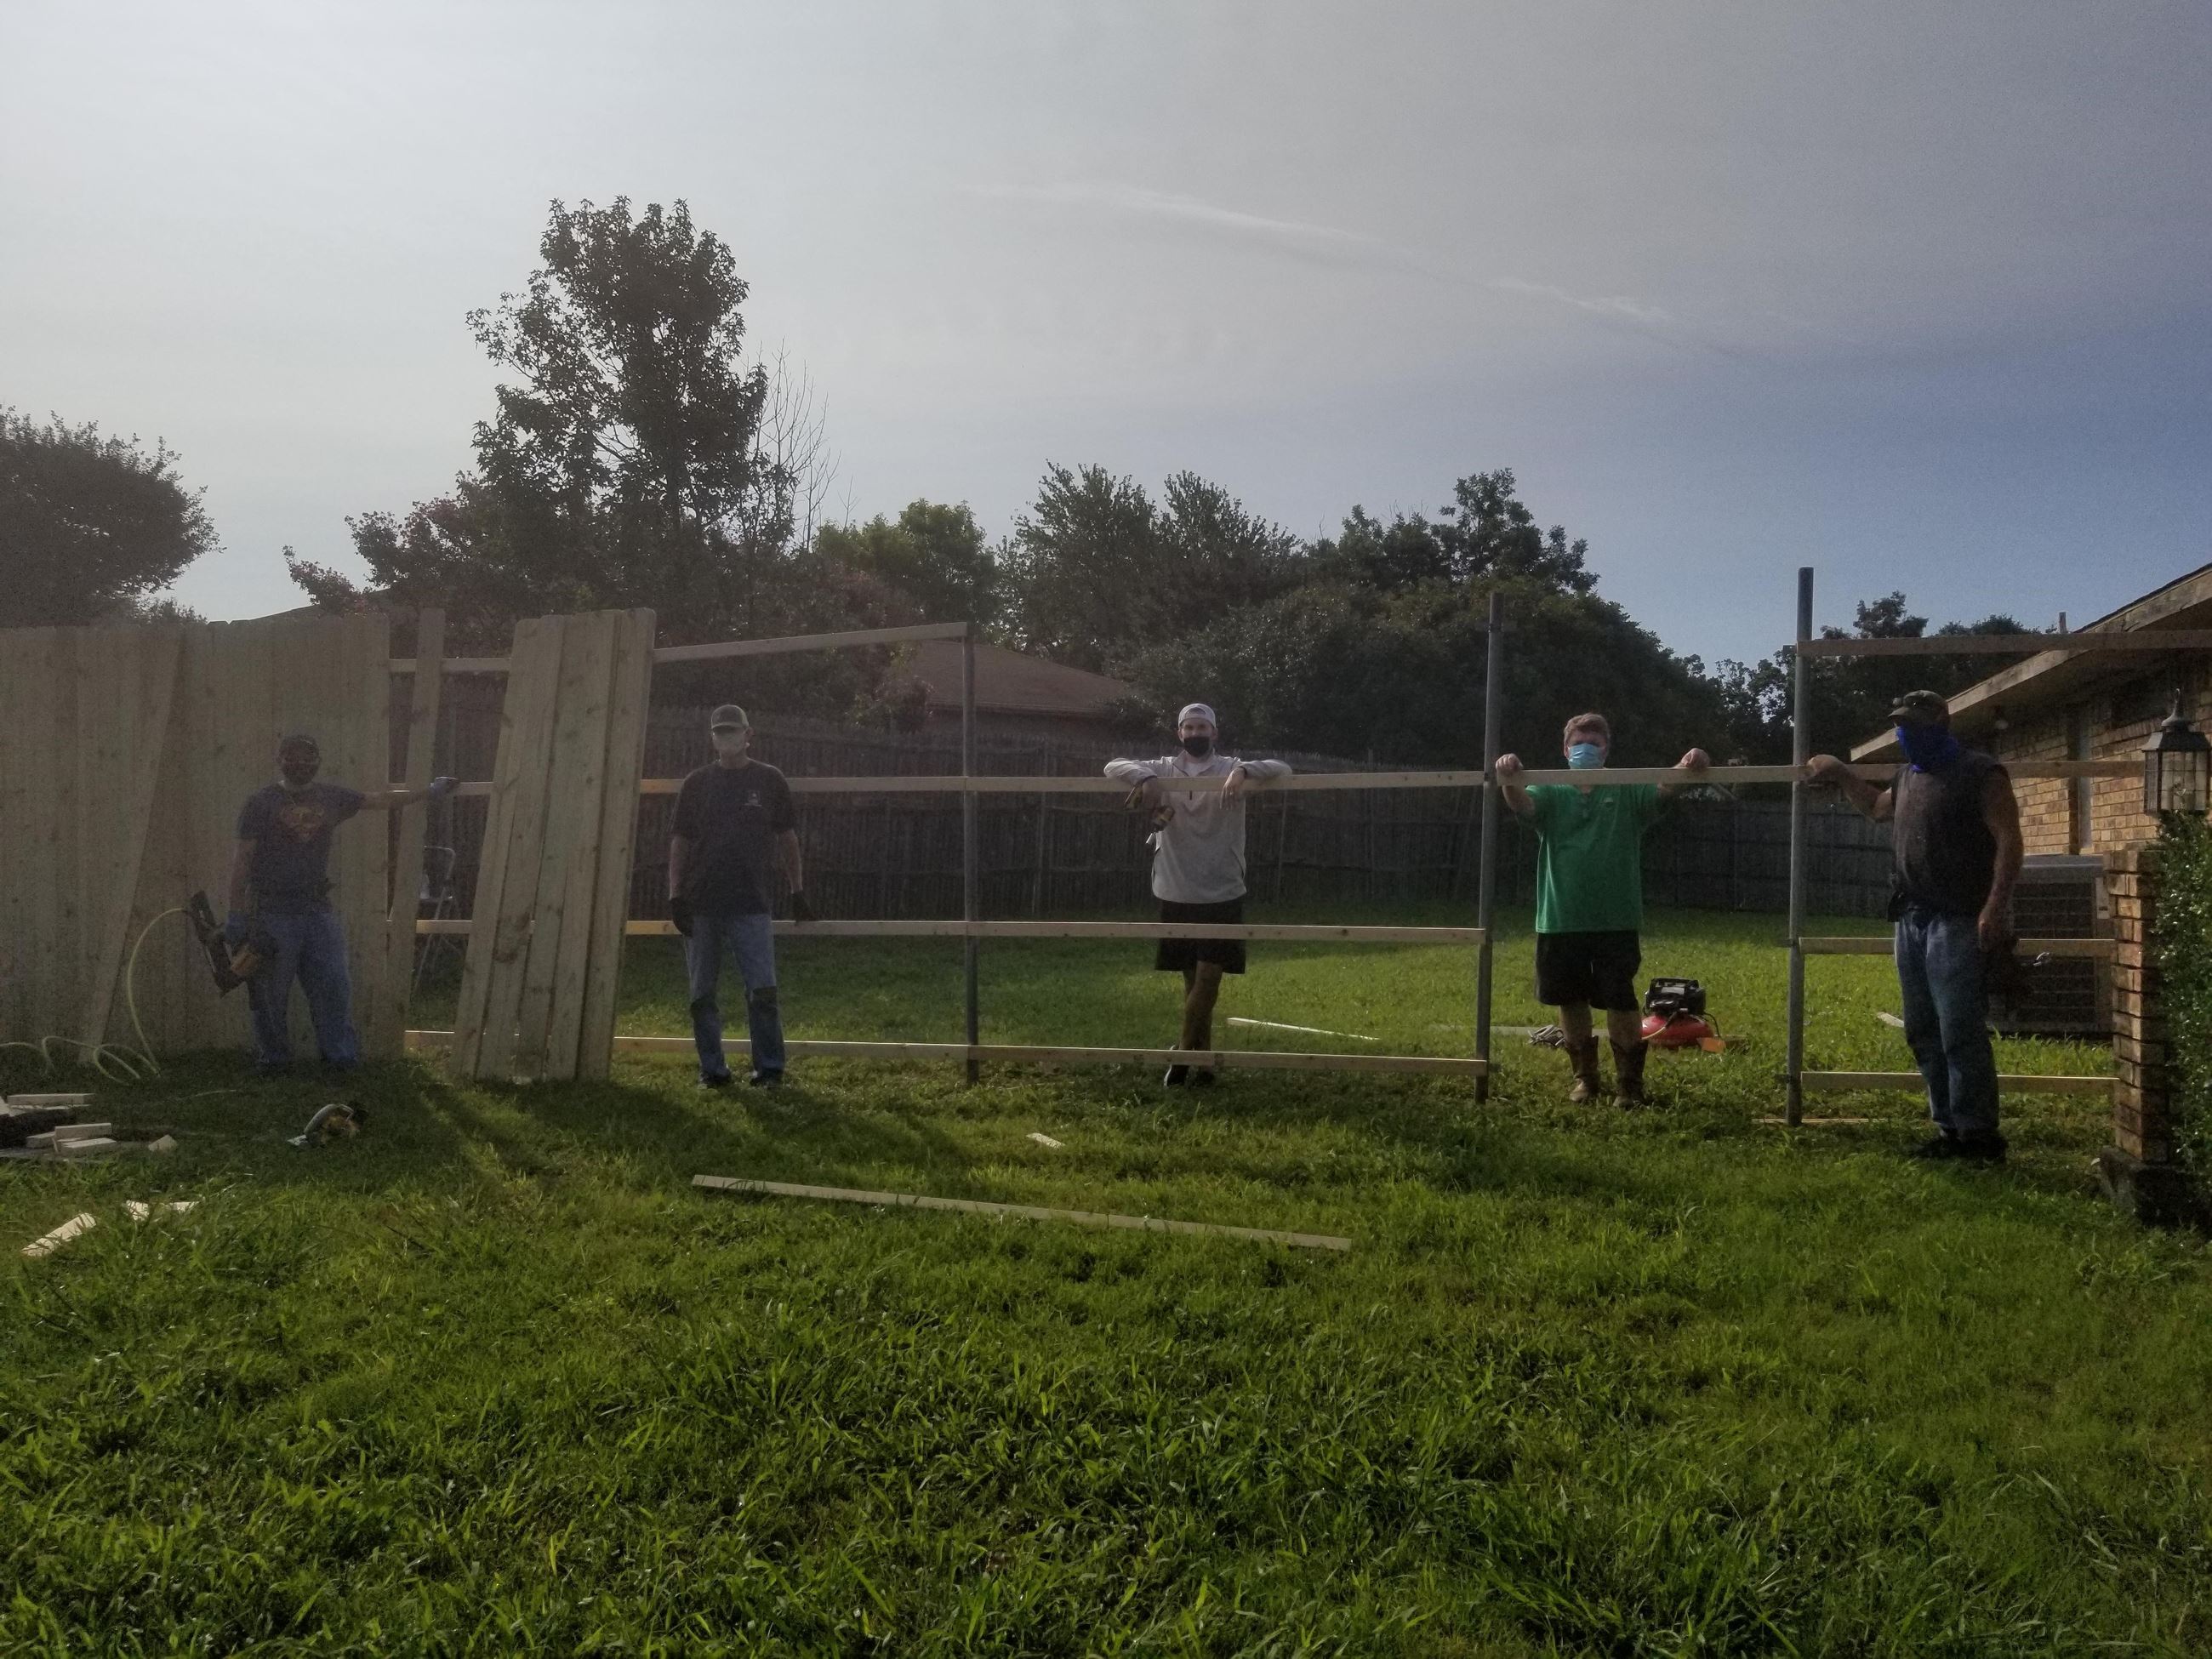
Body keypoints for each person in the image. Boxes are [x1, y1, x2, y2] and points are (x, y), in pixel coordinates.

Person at [1806, 690, 2022, 1163]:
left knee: (1959, 1030)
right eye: (1901, 726)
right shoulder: (1908, 777)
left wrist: (1994, 908)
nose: (1907, 734)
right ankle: (1949, 1130)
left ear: (1942, 724)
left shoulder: (1980, 773)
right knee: (1923, 1029)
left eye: (1916, 726)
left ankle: (1980, 1137)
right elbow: (1875, 807)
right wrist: (1841, 772)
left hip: (1960, 919)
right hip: (1912, 919)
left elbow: (2010, 841)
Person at [1497, 714, 1711, 1105]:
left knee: (1620, 1000)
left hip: (1616, 918)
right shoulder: (1550, 788)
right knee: (1570, 1001)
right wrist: (1509, 777)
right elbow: (1523, 806)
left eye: (1594, 744)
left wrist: (1688, 763)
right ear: (1566, 750)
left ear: (1606, 749)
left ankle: (1629, 1085)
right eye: (1579, 743)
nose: (1586, 750)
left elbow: (1664, 789)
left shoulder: (1625, 788)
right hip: (1560, 918)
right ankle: (1586, 1079)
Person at [227, 734, 454, 1074]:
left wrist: (429, 791)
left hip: (317, 911)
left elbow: (381, 800)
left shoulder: (331, 797)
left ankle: (340, 1060)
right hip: (273, 913)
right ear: (280, 760)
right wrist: (236, 913)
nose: (300, 764)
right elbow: (243, 860)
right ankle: (274, 1061)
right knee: (269, 995)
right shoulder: (260, 803)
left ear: (318, 761)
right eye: (292, 757)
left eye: (307, 758)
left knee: (333, 987)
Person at [1106, 704, 1291, 1085]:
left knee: (1209, 979)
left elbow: (1283, 768)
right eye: (1189, 727)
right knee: (1192, 981)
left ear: (1214, 732)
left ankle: (1181, 1053)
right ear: (1179, 733)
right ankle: (1203, 1063)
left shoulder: (1230, 767)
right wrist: (1145, 778)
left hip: (1222, 889)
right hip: (1175, 888)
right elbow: (1112, 766)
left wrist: (1244, 771)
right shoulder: (1162, 768)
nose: (1195, 733)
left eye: (1202, 727)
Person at [668, 704, 815, 1088]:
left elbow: (788, 839)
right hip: (701, 904)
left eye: (732, 731)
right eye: (720, 732)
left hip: (751, 903)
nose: (726, 738)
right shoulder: (696, 783)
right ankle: (712, 1071)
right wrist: (675, 896)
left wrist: (798, 890)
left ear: (749, 735)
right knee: (701, 995)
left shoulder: (769, 780)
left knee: (762, 991)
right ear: (712, 738)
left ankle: (770, 1069)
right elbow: (680, 842)